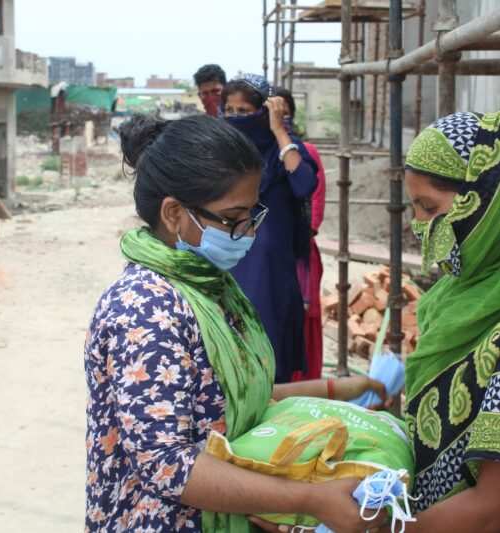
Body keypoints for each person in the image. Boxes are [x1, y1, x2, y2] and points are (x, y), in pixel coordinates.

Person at [256, 112, 500, 533]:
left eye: (429, 208)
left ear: (492, 205)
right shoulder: (460, 297)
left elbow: (492, 511)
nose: (418, 225)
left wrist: (369, 529)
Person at [84, 112, 393, 533]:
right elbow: (167, 465)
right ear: (174, 214)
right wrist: (310, 499)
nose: (248, 233)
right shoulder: (146, 310)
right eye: (233, 219)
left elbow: (224, 400)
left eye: (252, 214)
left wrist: (335, 392)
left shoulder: (210, 286)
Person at [222, 74, 317, 383]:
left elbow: (303, 184)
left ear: (264, 111)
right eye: (230, 111)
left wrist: (278, 130)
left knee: (271, 357)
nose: (236, 119)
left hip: (272, 275)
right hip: (231, 268)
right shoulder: (223, 154)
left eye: (244, 111)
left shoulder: (285, 152)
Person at [275, 86, 327, 381]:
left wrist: (302, 231)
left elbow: (315, 198)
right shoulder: (258, 155)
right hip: (271, 253)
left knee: (303, 319)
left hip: (300, 252)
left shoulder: (305, 154)